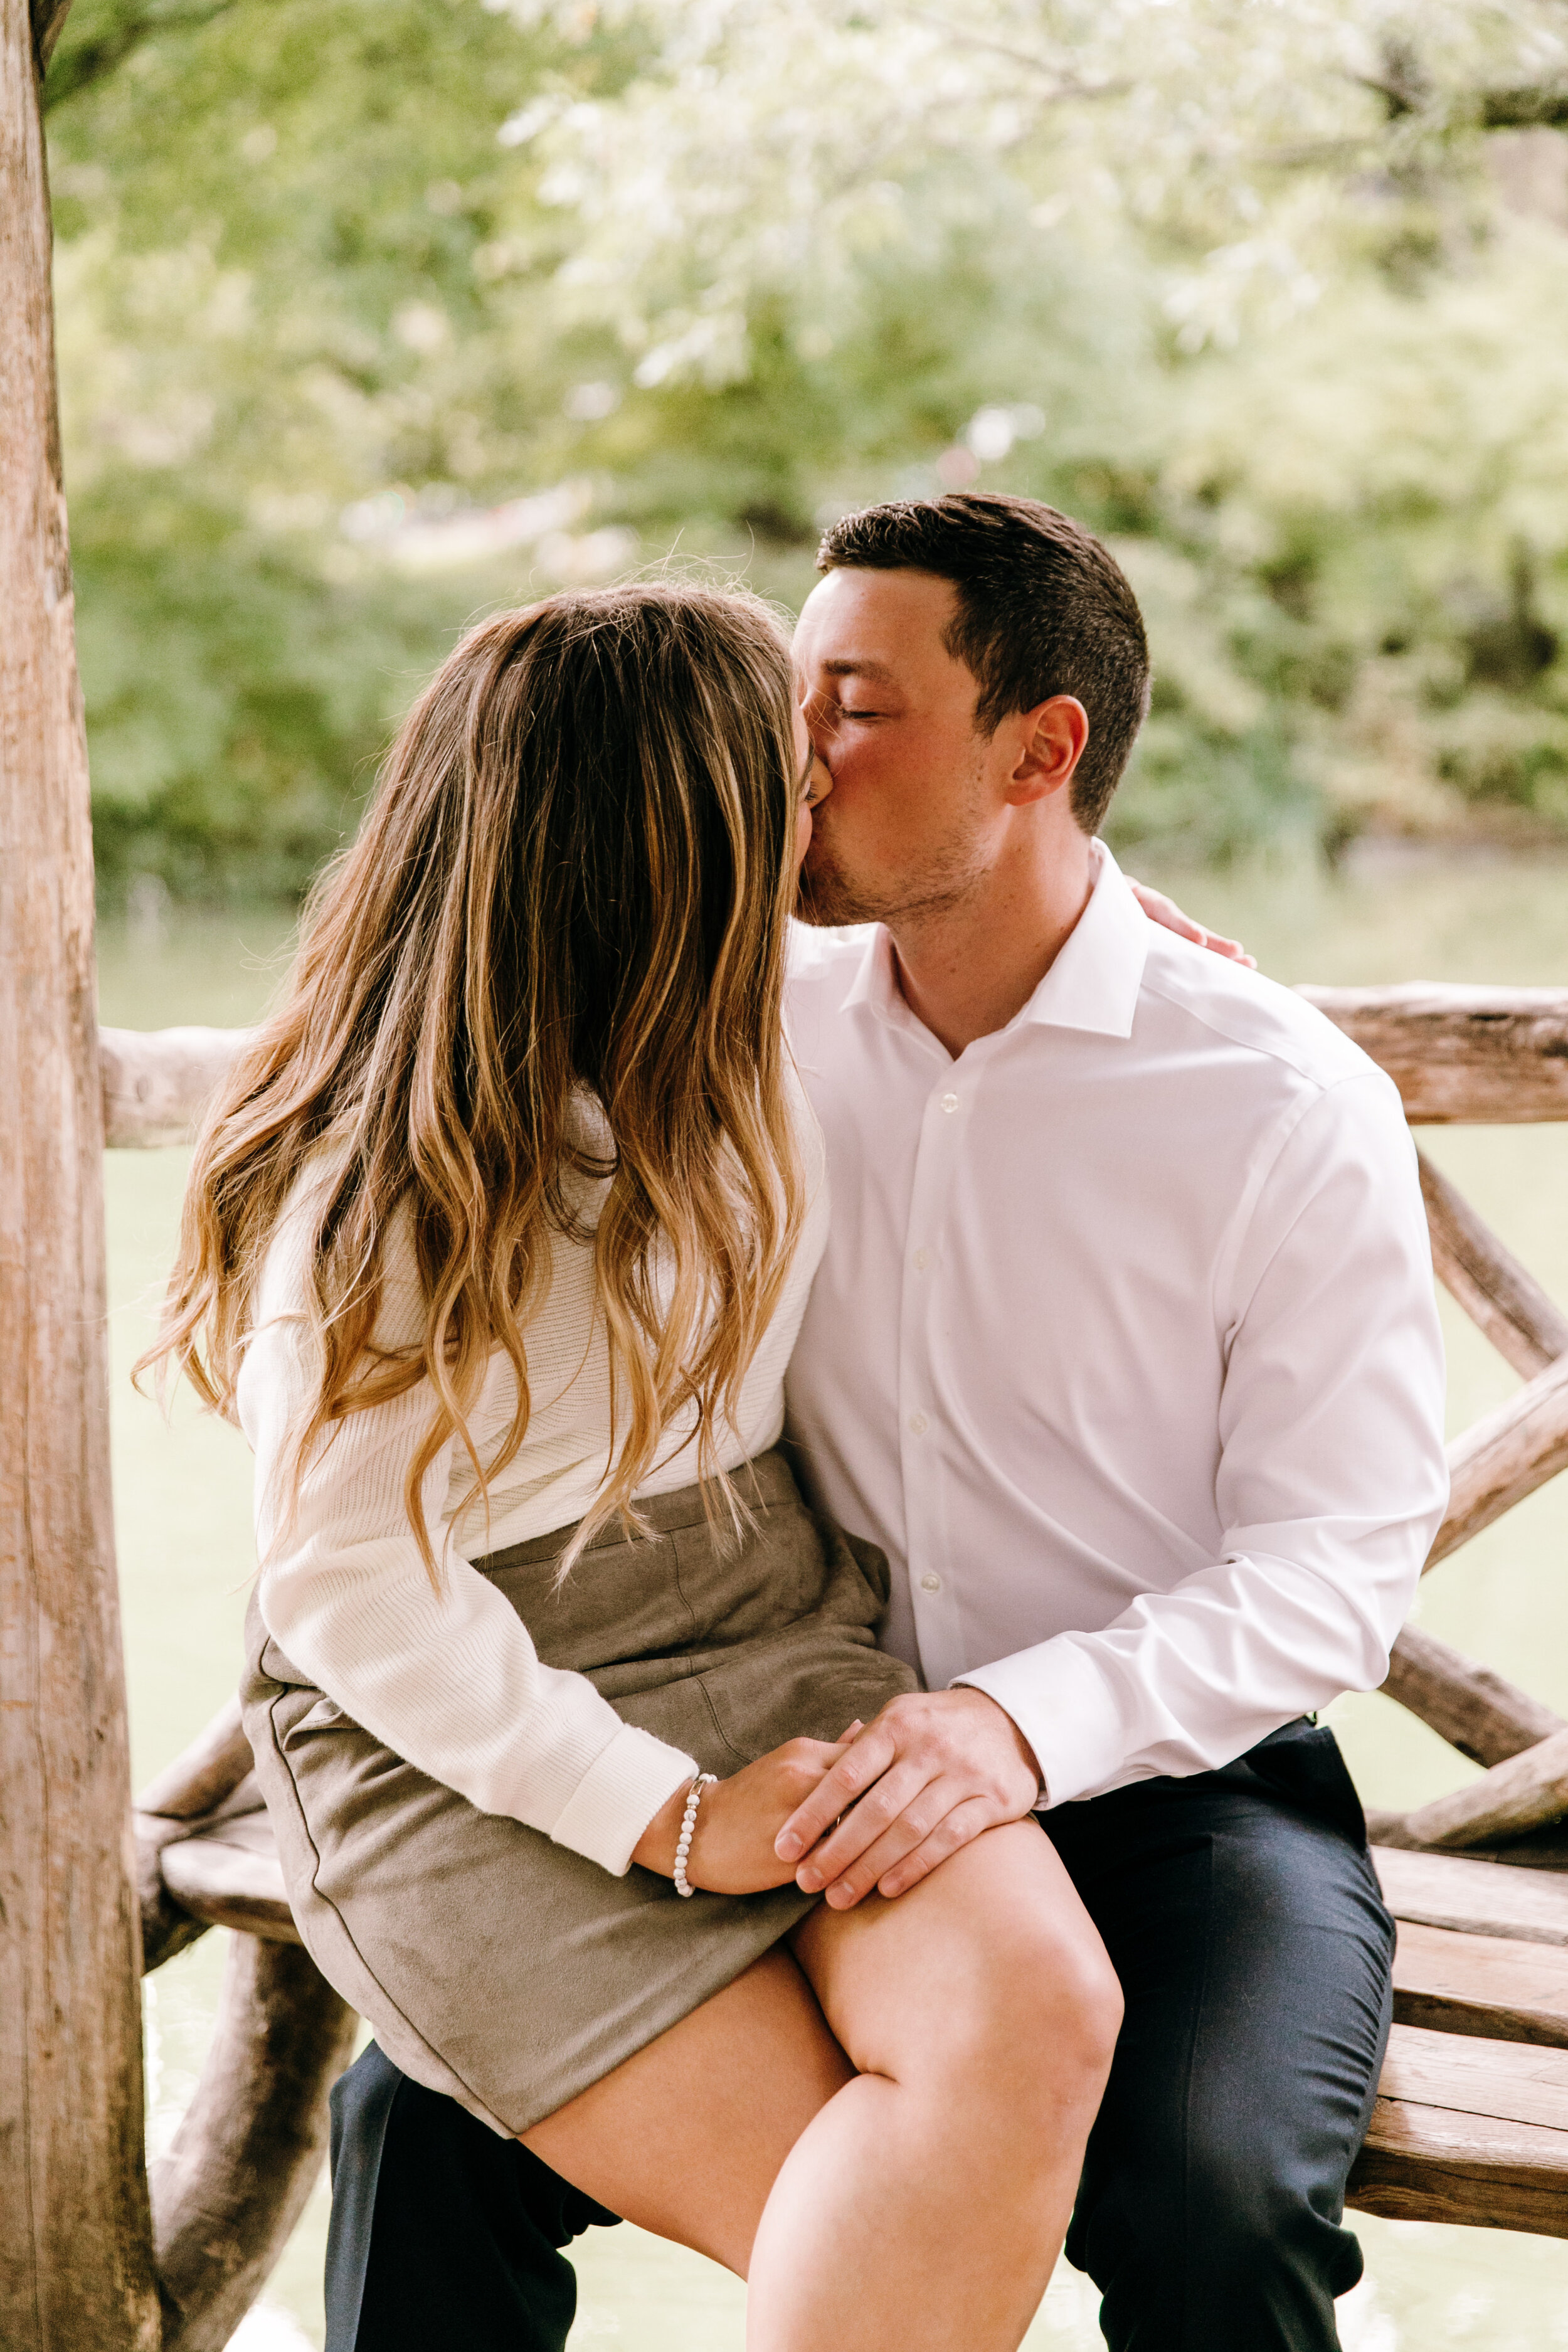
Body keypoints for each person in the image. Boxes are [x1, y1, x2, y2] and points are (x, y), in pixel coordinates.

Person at [320, 496, 1450, 2352]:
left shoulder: (1270, 1100)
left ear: (1041, 750)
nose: (789, 757)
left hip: (1174, 1795)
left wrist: (1014, 1729)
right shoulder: (734, 1012)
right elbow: (475, 977)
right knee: (415, 2119)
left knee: (1213, 2195)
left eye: (852, 707)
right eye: (789, 700)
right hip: (781, 1752)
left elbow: (1329, 1572)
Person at [147, 578, 1135, 2352]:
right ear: (674, 852)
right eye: (794, 775)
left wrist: (1107, 934)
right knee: (866, 2226)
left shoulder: (773, 1018)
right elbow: (357, 1590)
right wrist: (662, 1816)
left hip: (760, 1619)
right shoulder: (388, 1195)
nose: (827, 801)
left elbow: (973, 916)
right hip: (455, 1713)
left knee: (1036, 2013)